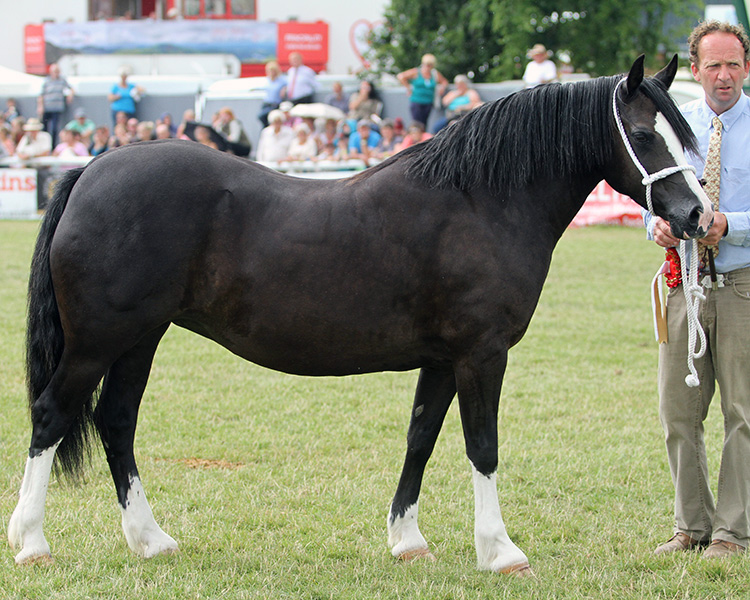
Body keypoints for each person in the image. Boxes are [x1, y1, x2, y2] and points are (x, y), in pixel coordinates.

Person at [645, 21, 750, 560]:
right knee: (678, 413)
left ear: (746, 68)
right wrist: (657, 227)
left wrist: (730, 225)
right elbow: (654, 203)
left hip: (742, 285)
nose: (724, 75)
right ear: (696, 70)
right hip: (684, 283)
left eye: (733, 64)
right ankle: (692, 526)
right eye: (714, 65)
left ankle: (732, 533)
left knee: (742, 413)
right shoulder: (676, 127)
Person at [397, 53, 448, 127]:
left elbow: (444, 81)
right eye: (426, 64)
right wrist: (408, 87)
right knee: (416, 123)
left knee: (424, 124)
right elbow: (401, 76)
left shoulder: (434, 74)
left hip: (428, 102)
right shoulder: (416, 72)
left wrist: (442, 87)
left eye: (430, 65)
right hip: (417, 101)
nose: (428, 67)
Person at [37, 63, 74, 147]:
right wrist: (40, 107)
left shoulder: (62, 80)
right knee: (44, 129)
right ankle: (44, 146)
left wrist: (70, 95)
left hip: (57, 108)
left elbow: (71, 88)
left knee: (54, 129)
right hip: (47, 107)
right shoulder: (46, 81)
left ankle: (52, 147)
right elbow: (41, 95)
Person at [258, 60, 287, 127]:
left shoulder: (281, 81)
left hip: (275, 104)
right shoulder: (268, 80)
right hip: (267, 103)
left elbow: (287, 86)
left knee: (263, 117)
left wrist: (284, 89)